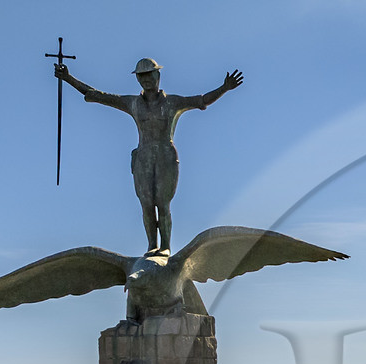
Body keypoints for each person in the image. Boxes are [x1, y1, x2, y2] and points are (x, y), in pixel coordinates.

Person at [54, 58, 243, 254]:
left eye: (149, 75)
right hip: (143, 157)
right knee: (146, 204)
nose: (146, 80)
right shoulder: (132, 103)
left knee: (162, 203)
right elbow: (97, 95)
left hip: (165, 156)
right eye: (142, 76)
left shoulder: (172, 102)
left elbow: (202, 100)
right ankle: (152, 245)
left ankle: (166, 246)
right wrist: (68, 78)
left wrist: (224, 88)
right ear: (137, 79)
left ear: (158, 76)